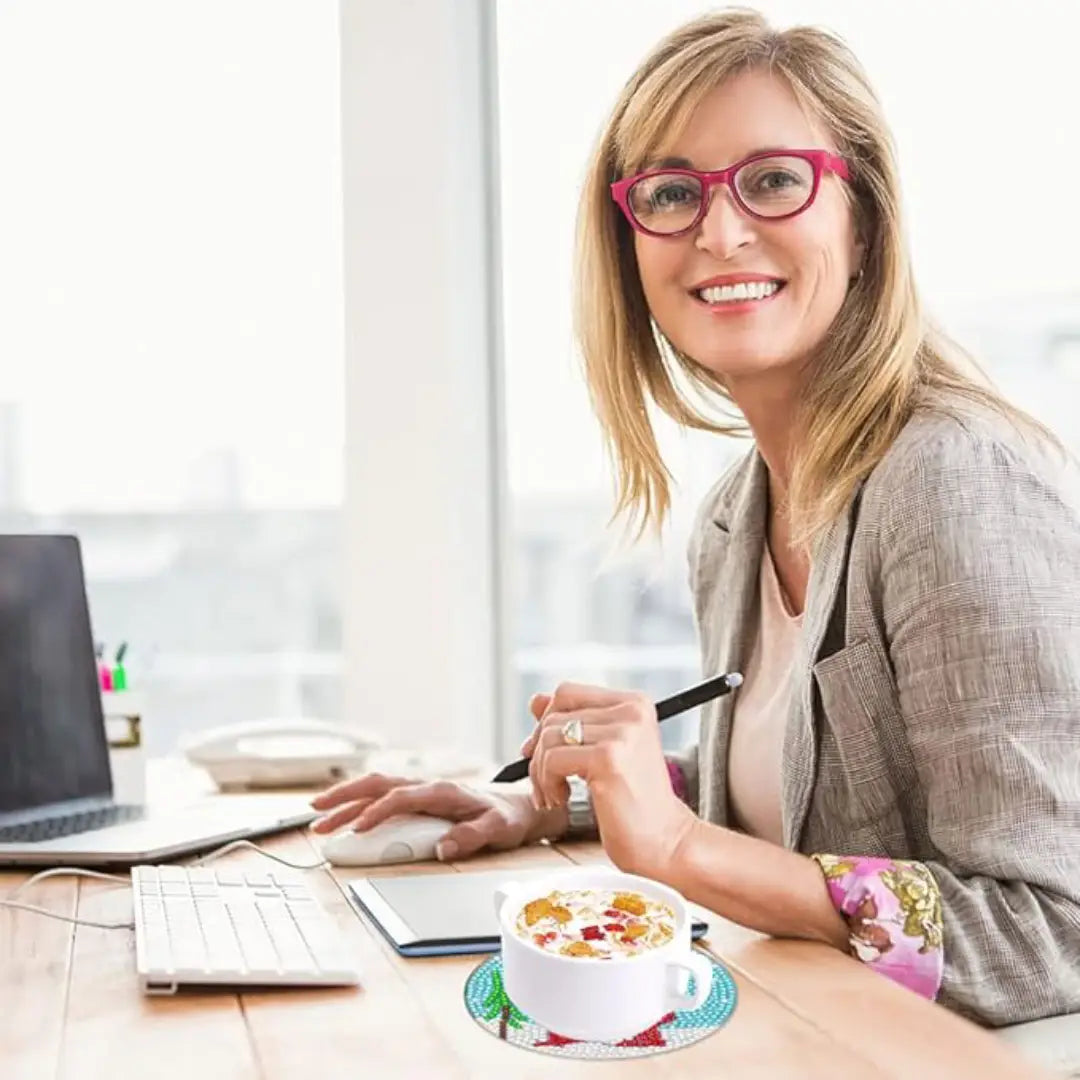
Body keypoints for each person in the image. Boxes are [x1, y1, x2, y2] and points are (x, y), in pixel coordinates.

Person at [312, 7, 1080, 1049]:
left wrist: (676, 848)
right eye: (672, 193)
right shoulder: (735, 515)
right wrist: (565, 799)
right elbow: (784, 813)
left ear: (864, 217)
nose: (720, 233)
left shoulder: (955, 479)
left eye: (772, 180)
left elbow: (1050, 929)